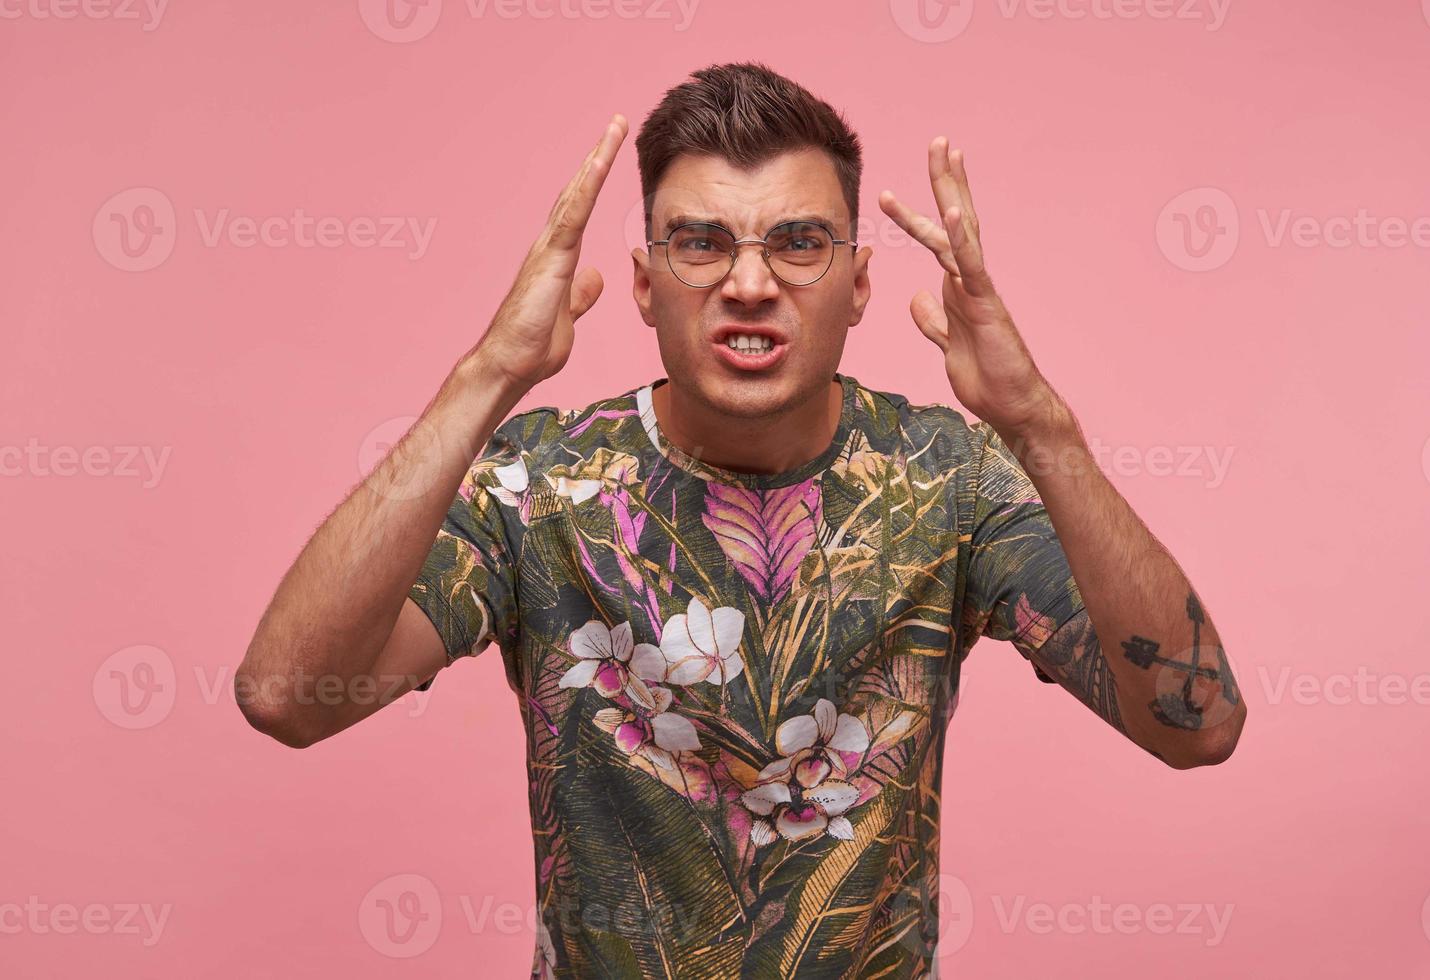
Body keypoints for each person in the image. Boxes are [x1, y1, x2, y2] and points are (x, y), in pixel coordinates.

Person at [236, 61, 1246, 978]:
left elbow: (1195, 726)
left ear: (858, 285)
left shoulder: (950, 479)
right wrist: (486, 375)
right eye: (701, 243)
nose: (750, 284)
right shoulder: (542, 483)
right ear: (642, 284)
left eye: (800, 244)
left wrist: (1042, 428)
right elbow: (288, 694)